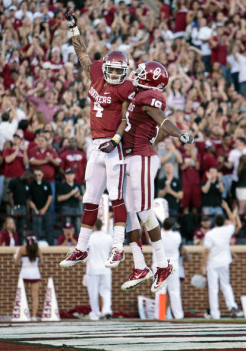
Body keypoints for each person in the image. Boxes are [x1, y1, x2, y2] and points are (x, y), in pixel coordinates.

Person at [60, 9, 136, 269]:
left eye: (119, 71)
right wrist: (73, 28)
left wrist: (116, 139)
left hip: (113, 145)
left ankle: (118, 248)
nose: (115, 75)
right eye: (111, 70)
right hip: (95, 145)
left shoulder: (126, 88)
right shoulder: (94, 73)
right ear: (104, 67)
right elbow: (81, 54)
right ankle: (82, 248)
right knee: (90, 197)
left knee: (116, 197)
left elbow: (126, 118)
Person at [119, 61, 194, 292]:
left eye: (143, 73)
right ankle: (140, 266)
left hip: (141, 157)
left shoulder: (150, 97)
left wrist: (180, 134)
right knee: (129, 213)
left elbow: (162, 119)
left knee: (144, 210)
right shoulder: (137, 94)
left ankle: (162, 264)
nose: (138, 75)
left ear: (152, 80)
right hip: (130, 156)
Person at [202, 205, 238, 319]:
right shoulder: (228, 230)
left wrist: (203, 265)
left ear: (214, 222)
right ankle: (232, 305)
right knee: (226, 285)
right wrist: (227, 208)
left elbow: (207, 251)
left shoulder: (210, 234)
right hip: (225, 262)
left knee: (213, 288)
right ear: (224, 221)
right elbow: (233, 221)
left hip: (213, 263)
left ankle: (215, 314)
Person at [154, 217, 184, 319]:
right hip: (173, 266)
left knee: (160, 291)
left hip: (160, 266)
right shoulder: (177, 236)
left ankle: (161, 314)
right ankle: (178, 315)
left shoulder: (157, 235)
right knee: (174, 291)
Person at [86, 219, 113, 321]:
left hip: (93, 269)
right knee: (106, 291)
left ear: (93, 227)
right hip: (105, 269)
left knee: (93, 292)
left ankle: (95, 313)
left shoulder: (89, 238)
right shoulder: (108, 237)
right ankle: (107, 310)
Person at [14, 235, 43, 321]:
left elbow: (16, 261)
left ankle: (24, 314)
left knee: (23, 295)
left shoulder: (22, 249)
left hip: (25, 273)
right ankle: (33, 316)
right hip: (35, 273)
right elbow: (42, 262)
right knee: (35, 296)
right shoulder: (38, 249)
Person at [7, 170, 33, 245]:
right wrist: (13, 209)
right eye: (29, 178)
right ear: (26, 174)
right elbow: (10, 196)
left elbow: (27, 199)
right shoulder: (14, 181)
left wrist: (28, 212)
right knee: (12, 228)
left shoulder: (27, 185)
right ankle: (11, 246)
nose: (30, 180)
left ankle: (20, 246)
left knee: (21, 230)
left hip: (23, 208)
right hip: (14, 207)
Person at [29, 168, 53, 245]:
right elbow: (29, 199)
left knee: (49, 229)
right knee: (36, 230)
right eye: (35, 175)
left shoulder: (46, 183)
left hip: (46, 210)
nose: (37, 176)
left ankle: (50, 247)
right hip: (36, 210)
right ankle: (36, 246)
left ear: (42, 175)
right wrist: (36, 210)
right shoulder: (31, 184)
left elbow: (50, 197)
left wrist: (44, 209)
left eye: (39, 175)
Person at [57, 168, 83, 233]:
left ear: (74, 175)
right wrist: (70, 194)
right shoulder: (62, 185)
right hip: (66, 208)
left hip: (76, 208)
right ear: (65, 176)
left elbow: (82, 198)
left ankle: (78, 241)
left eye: (71, 174)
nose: (70, 176)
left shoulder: (77, 185)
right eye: (68, 174)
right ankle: (67, 241)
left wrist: (78, 196)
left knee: (78, 226)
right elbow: (59, 198)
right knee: (68, 226)